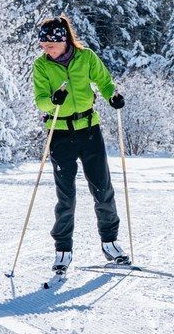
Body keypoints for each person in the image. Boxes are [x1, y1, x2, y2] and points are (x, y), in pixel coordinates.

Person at [32, 15, 129, 273]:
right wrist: (54, 100)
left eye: (50, 46)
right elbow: (40, 100)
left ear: (63, 41)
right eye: (43, 47)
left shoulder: (86, 58)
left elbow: (105, 82)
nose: (47, 51)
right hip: (60, 133)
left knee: (102, 188)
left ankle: (110, 242)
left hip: (89, 130)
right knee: (66, 195)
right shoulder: (41, 66)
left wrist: (113, 96)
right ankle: (63, 248)